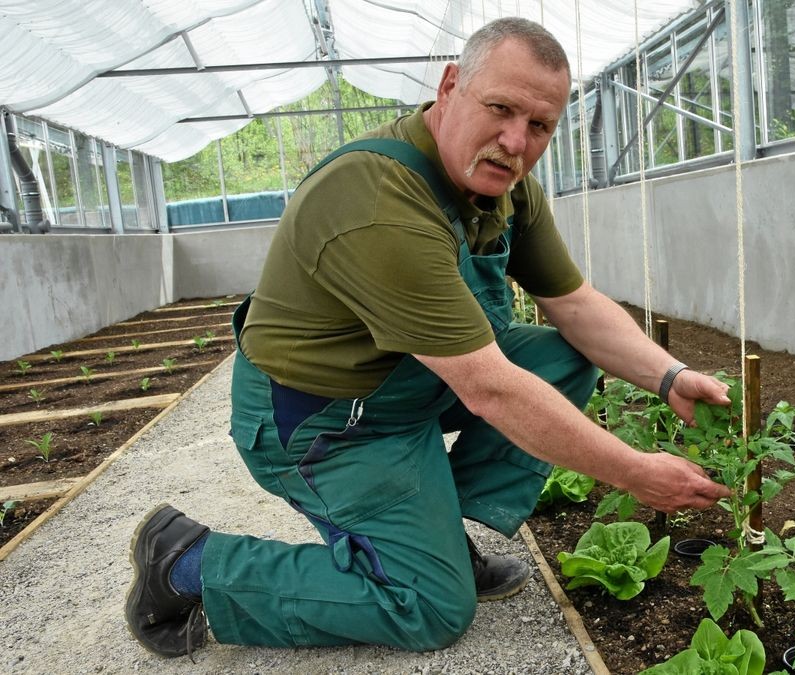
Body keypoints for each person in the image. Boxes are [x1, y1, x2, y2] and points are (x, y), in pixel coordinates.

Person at [125, 17, 731, 658]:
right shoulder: (378, 201)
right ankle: (187, 564)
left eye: (540, 126)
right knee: (429, 608)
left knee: (565, 358)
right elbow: (491, 390)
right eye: (500, 108)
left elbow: (574, 304)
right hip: (320, 425)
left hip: (400, 388)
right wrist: (635, 472)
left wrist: (670, 375)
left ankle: (432, 533)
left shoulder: (505, 187)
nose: (515, 141)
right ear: (449, 87)